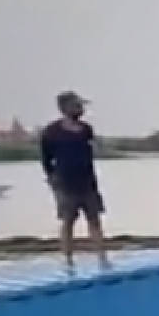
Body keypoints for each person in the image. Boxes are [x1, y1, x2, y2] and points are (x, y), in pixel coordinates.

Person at [39, 90, 107, 269]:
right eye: (77, 105)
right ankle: (68, 260)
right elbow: (46, 158)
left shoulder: (86, 129)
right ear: (65, 108)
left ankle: (102, 257)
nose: (80, 109)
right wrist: (52, 178)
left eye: (81, 106)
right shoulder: (52, 132)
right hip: (65, 183)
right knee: (68, 221)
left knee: (95, 219)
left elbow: (93, 149)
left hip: (88, 182)